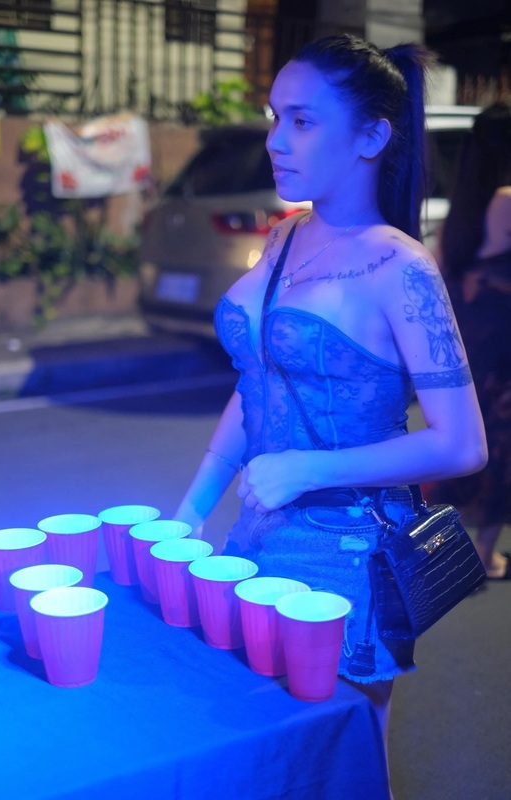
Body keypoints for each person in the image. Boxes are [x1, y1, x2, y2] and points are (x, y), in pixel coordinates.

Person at [174, 33, 487, 794]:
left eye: (303, 121)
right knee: (264, 755)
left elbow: (462, 443)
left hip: (348, 554)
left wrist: (309, 468)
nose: (276, 139)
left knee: (337, 763)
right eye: (274, 116)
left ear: (372, 137)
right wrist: (190, 509)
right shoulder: (286, 235)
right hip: (255, 535)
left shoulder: (400, 266)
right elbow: (257, 382)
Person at [427, 102, 511, 580]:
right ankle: (482, 553)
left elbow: (446, 267)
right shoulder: (506, 198)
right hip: (501, 340)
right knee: (498, 445)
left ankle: (439, 545)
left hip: (469, 337)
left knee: (466, 438)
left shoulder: (465, 205)